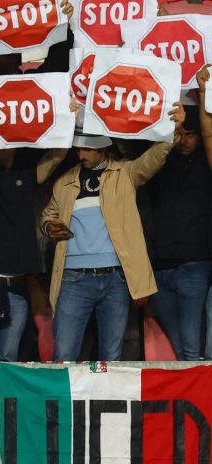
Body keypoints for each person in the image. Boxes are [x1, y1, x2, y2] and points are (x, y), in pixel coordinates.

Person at [42, 106, 184, 362]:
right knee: (63, 355)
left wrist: (173, 128)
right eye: (79, 149)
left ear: (103, 148)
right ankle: (64, 403)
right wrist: (49, 227)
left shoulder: (125, 173)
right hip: (73, 279)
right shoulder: (64, 182)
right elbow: (48, 215)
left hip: (116, 279)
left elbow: (154, 158)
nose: (81, 155)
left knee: (112, 357)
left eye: (88, 149)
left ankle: (108, 404)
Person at [0, 91, 68, 362]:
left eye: (6, 139)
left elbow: (56, 156)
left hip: (14, 289)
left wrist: (68, 118)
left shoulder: (27, 175)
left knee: (6, 365)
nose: (0, 145)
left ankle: (0, 407)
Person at [145, 68, 212, 360]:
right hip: (160, 268)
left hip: (194, 266)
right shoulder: (160, 162)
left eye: (190, 135)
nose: (184, 140)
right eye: (179, 134)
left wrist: (203, 94)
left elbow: (209, 135)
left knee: (190, 349)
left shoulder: (206, 166)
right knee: (179, 348)